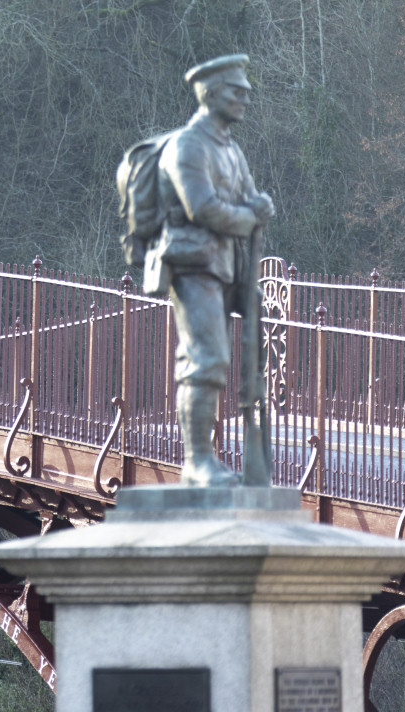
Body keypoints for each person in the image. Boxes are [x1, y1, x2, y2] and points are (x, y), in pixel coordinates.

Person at [156, 53, 275, 486]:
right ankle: (197, 461)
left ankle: (217, 460)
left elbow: (245, 198)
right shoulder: (188, 145)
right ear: (209, 93)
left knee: (228, 361)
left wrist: (259, 204)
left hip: (227, 267)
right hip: (192, 265)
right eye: (236, 91)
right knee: (206, 358)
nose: (246, 98)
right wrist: (250, 215)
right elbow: (202, 207)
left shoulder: (231, 149)